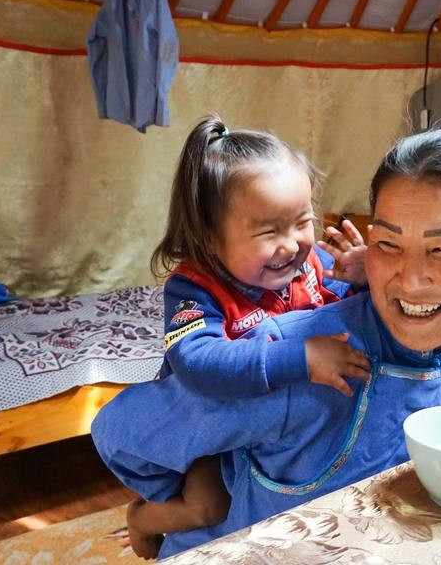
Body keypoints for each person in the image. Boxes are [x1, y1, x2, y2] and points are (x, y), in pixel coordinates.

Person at [93, 127, 441, 560]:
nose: (409, 280)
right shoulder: (285, 354)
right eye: (389, 244)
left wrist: (357, 271)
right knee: (206, 503)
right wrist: (166, 497)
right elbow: (123, 428)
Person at [127, 116, 372, 558]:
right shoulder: (194, 288)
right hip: (214, 419)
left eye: (302, 222)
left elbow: (341, 308)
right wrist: (299, 358)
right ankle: (141, 519)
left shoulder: (309, 263)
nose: (293, 244)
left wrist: (361, 278)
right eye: (268, 232)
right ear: (209, 237)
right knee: (208, 507)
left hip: (274, 422)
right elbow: (197, 361)